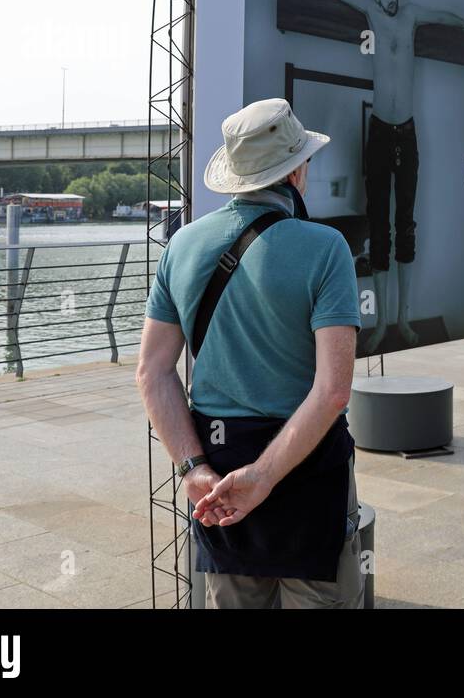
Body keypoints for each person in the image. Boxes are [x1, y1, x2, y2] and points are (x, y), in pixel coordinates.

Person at [135, 98, 365, 609]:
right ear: (295, 170)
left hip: (215, 467)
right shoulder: (325, 247)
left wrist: (193, 468)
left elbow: (152, 372)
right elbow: (332, 392)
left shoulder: (183, 245)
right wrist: (263, 477)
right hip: (307, 461)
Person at [274, 0, 464, 354]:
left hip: (408, 130)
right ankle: (384, 322)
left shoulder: (412, 15)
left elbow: (442, 14)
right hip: (381, 132)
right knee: (380, 225)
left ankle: (402, 318)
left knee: (406, 222)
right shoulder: (370, 9)